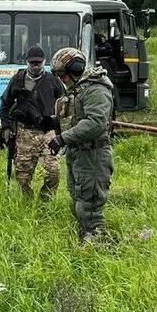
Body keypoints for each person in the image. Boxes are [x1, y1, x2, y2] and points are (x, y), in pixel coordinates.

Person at [46, 47, 115, 246]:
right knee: (78, 201)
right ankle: (86, 241)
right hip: (78, 153)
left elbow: (95, 123)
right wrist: (50, 122)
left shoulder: (95, 89)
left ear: (74, 69)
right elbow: (75, 117)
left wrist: (63, 138)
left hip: (93, 155)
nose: (61, 79)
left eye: (62, 74)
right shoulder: (78, 89)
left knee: (90, 206)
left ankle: (96, 246)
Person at [0, 45, 65, 199]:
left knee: (53, 171)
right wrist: (6, 126)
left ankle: (45, 202)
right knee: (23, 175)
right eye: (32, 62)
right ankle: (27, 203)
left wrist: (63, 131)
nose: (35, 66)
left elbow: (64, 104)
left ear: (44, 62)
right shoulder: (18, 79)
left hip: (48, 132)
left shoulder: (53, 80)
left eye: (38, 63)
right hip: (24, 132)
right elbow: (5, 104)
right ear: (27, 62)